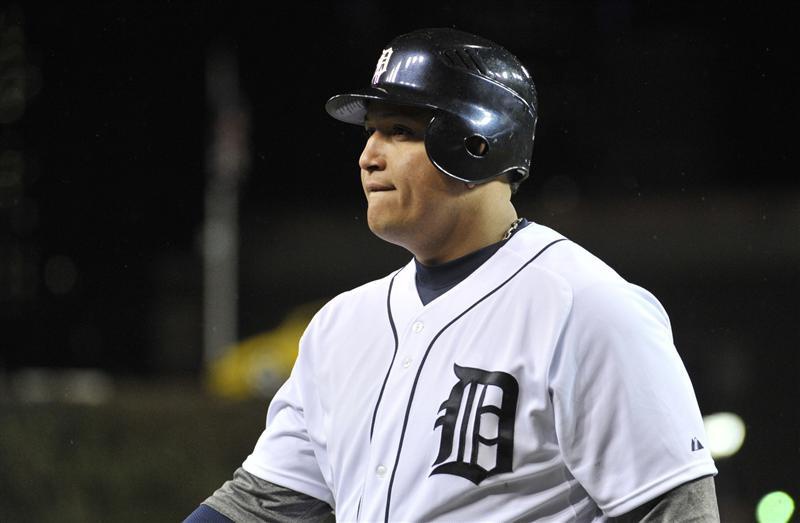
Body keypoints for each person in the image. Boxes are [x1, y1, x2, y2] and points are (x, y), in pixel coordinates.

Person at [185, 27, 720, 522]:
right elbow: (260, 506)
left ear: (477, 143)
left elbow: (676, 510)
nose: (368, 157)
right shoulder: (340, 326)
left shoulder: (587, 306)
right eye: (371, 133)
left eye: (399, 130)